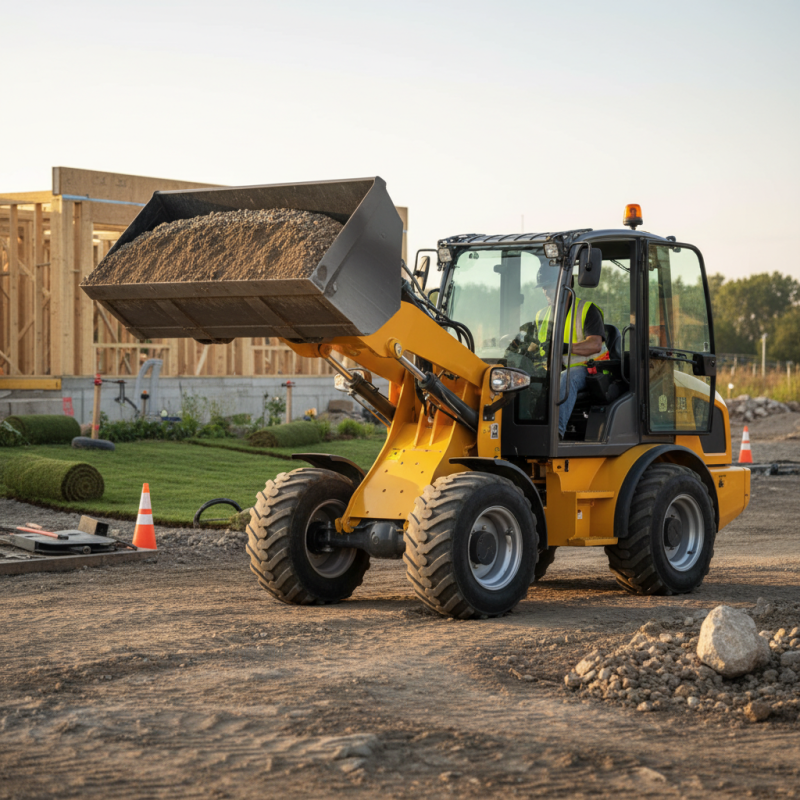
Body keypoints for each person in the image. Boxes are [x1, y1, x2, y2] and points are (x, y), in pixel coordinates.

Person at [534, 265, 608, 439]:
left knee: (566, 379)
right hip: (555, 369)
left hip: (589, 370)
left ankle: (554, 434)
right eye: (543, 287)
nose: (546, 290)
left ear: (566, 284)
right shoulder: (541, 315)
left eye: (550, 285)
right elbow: (538, 345)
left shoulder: (587, 310)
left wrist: (566, 347)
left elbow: (595, 344)